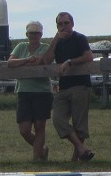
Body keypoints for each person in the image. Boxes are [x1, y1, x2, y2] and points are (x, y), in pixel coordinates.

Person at [40, 12, 95, 161]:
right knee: (58, 120)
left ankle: (75, 159)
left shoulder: (79, 38)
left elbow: (89, 56)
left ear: (72, 23)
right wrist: (55, 40)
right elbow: (47, 60)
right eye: (60, 24)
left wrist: (70, 61)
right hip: (63, 87)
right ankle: (82, 149)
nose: (63, 26)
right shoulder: (58, 41)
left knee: (79, 124)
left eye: (66, 23)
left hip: (80, 85)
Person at [7, 20, 52, 161]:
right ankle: (42, 150)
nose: (34, 36)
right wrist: (27, 60)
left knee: (40, 125)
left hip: (42, 91)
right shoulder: (21, 47)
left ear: (41, 34)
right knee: (24, 129)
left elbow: (42, 61)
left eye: (37, 33)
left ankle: (36, 158)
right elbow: (10, 62)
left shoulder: (46, 47)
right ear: (27, 34)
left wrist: (25, 62)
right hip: (24, 90)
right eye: (32, 33)